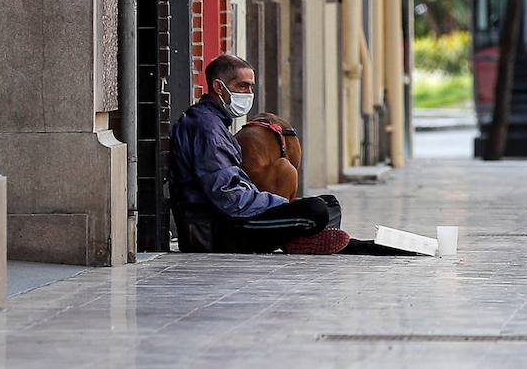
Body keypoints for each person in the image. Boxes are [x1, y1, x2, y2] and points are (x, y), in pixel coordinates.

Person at [170, 54, 410, 256]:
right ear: (218, 87)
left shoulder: (214, 122)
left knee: (329, 204)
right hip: (219, 231)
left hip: (230, 218)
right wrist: (281, 203)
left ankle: (304, 241)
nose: (248, 93)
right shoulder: (206, 128)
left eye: (251, 87)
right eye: (241, 86)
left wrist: (276, 203)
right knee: (315, 211)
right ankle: (302, 241)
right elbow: (229, 199)